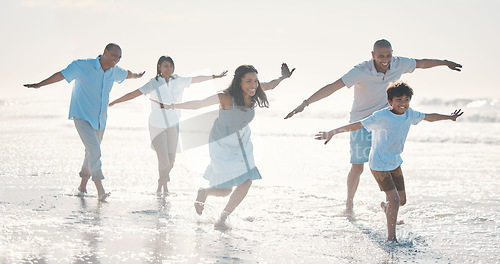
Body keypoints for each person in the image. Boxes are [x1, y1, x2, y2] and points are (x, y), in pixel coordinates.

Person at [285, 39, 462, 212]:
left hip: (386, 122)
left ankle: (390, 207)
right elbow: (333, 87)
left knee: (388, 164)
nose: (385, 60)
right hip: (361, 121)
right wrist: (305, 103)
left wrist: (445, 63)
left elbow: (422, 63)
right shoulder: (361, 70)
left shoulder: (399, 63)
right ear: (373, 55)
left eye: (388, 55)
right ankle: (349, 204)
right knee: (357, 166)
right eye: (381, 56)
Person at [315, 81, 463, 241]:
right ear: (390, 101)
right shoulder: (381, 116)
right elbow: (358, 125)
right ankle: (391, 237)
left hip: (395, 162)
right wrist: (333, 132)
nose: (403, 103)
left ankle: (387, 208)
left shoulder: (410, 114)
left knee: (402, 201)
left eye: (406, 100)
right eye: (399, 100)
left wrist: (450, 117)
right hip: (379, 164)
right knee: (395, 199)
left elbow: (429, 117)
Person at [155, 63, 294, 228]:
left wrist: (284, 77)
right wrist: (172, 106)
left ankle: (220, 214)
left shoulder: (255, 90)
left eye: (255, 81)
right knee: (228, 188)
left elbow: (271, 84)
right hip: (222, 143)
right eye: (249, 81)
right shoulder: (226, 96)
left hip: (242, 142)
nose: (254, 85)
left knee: (243, 183)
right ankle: (208, 198)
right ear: (239, 82)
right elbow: (199, 103)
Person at [24, 43, 145, 201]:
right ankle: (100, 190)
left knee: (90, 153)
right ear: (105, 52)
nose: (117, 59)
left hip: (100, 120)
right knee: (95, 151)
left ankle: (82, 186)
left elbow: (127, 74)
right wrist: (39, 84)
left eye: (119, 57)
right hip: (81, 116)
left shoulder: (115, 72)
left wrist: (137, 75)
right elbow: (61, 75)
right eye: (114, 55)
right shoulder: (82, 65)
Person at [108, 55, 228, 194]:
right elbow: (134, 93)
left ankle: (161, 182)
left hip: (173, 125)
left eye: (170, 66)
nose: (169, 68)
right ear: (159, 67)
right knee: (163, 159)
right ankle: (162, 187)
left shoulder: (179, 80)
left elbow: (196, 79)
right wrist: (116, 101)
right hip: (156, 125)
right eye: (165, 66)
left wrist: (214, 76)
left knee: (171, 161)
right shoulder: (154, 83)